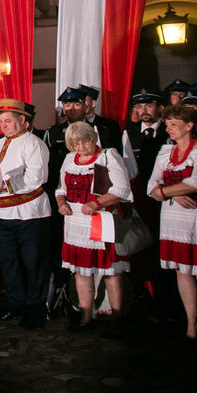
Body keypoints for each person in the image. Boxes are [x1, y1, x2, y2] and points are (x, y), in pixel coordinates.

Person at [148, 104, 197, 345]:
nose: (168, 129)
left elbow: (196, 182)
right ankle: (192, 322)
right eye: (167, 124)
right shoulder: (164, 152)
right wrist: (171, 193)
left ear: (189, 126)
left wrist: (165, 191)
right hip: (172, 217)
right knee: (182, 270)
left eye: (173, 124)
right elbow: (151, 187)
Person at [0, 99, 52, 329]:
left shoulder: (34, 144)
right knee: (8, 262)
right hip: (2, 213)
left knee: (33, 262)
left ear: (23, 121)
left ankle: (35, 308)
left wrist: (3, 186)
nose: (3, 126)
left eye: (8, 121)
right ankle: (14, 304)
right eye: (0, 122)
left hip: (29, 213)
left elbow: (35, 179)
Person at [55, 121, 132, 331]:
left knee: (110, 271)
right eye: (76, 143)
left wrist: (96, 203)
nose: (82, 146)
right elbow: (60, 189)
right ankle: (86, 316)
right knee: (82, 271)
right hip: (75, 222)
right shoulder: (70, 159)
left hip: (101, 220)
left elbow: (122, 190)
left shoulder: (108, 156)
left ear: (92, 138)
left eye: (85, 141)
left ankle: (116, 318)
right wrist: (61, 203)